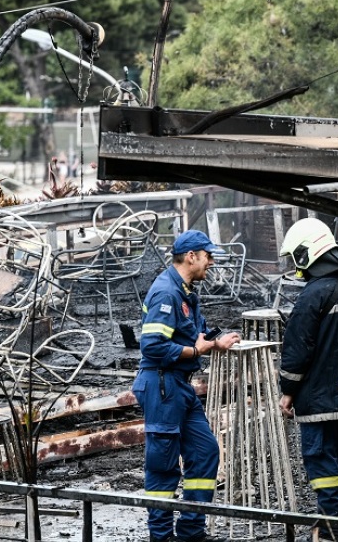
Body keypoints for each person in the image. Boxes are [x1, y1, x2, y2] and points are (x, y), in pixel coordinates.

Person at [133, 229, 241, 542]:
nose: (212, 261)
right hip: (162, 385)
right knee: (163, 465)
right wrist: (197, 351)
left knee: (205, 451)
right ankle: (161, 537)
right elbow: (152, 346)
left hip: (179, 385)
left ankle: (192, 532)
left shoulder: (186, 292)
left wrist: (215, 342)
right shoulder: (166, 293)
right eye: (208, 255)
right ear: (191, 257)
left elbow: (196, 334)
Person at [278, 218, 338, 542]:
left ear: (308, 253)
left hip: (320, 401)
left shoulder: (313, 295)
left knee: (324, 472)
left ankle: (334, 535)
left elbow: (297, 350)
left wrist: (288, 391)